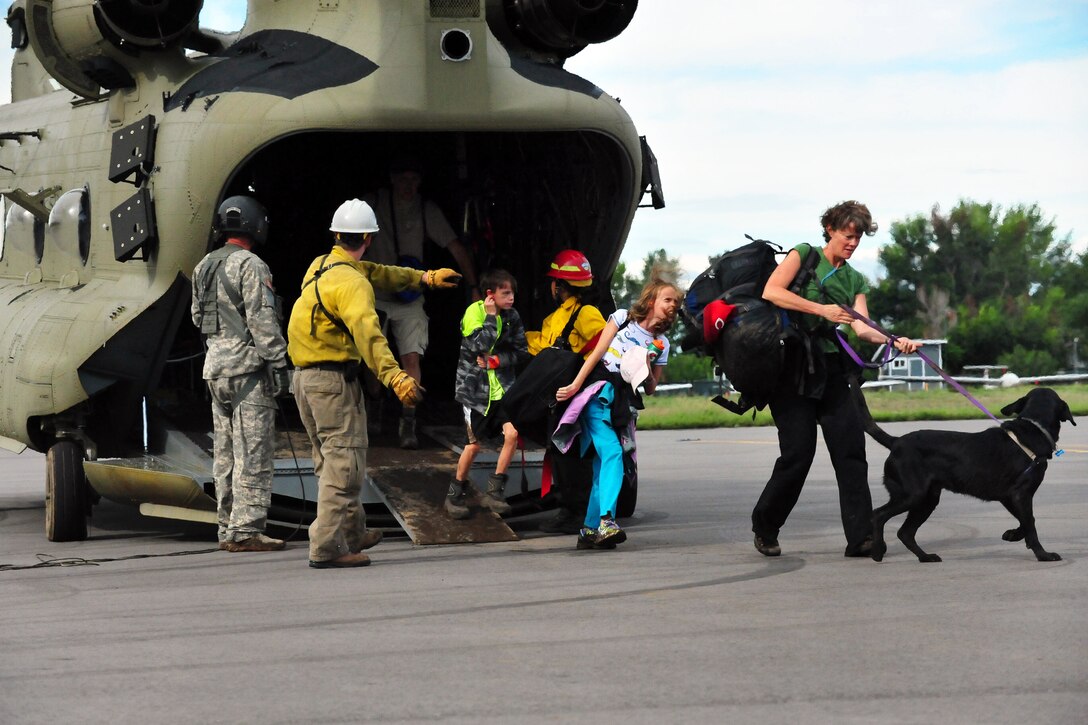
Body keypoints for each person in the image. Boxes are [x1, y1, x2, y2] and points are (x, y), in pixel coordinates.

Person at [287, 199, 462, 569]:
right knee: (344, 464)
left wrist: (424, 277)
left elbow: (378, 272)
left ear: (337, 234)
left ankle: (351, 531)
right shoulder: (353, 285)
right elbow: (369, 335)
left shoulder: (322, 266)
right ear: (368, 237)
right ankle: (327, 546)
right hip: (332, 382)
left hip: (305, 380)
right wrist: (395, 376)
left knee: (333, 461)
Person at [751, 200, 920, 558]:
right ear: (830, 228)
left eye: (858, 237)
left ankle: (861, 537)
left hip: (832, 372)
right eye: (847, 235)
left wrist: (894, 340)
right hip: (792, 371)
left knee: (851, 454)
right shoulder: (803, 255)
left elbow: (861, 327)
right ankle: (765, 526)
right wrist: (820, 310)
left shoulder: (854, 278)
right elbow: (772, 291)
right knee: (798, 454)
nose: (853, 242)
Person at [190, 195, 290, 552]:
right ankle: (246, 530)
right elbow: (263, 321)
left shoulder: (203, 265)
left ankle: (226, 526)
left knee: (226, 453)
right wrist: (279, 362)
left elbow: (198, 319)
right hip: (248, 371)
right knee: (254, 452)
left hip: (215, 370)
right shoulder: (252, 265)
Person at [363, 155, 480, 449]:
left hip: (409, 295)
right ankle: (374, 408)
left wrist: (475, 285)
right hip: (373, 293)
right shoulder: (373, 203)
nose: (409, 185)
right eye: (403, 178)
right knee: (372, 361)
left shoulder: (426, 209)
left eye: (414, 179)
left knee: (411, 358)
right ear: (392, 178)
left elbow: (454, 245)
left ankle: (408, 421)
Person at [555, 278, 680, 549]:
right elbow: (597, 353)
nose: (673, 305)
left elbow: (651, 389)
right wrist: (576, 385)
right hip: (597, 391)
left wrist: (646, 363)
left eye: (677, 302)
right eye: (668, 299)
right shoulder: (623, 319)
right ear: (651, 301)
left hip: (622, 402)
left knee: (604, 464)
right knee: (612, 453)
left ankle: (589, 530)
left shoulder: (663, 343)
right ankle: (607, 520)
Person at [525, 250, 607, 534]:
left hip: (577, 397)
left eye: (553, 282)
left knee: (572, 455)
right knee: (560, 452)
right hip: (559, 397)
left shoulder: (587, 314)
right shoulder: (556, 318)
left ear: (559, 285)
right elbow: (542, 346)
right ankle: (568, 506)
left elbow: (604, 347)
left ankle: (578, 511)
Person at [447, 269, 530, 519]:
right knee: (473, 446)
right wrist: (492, 317)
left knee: (512, 435)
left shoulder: (513, 316)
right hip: (475, 392)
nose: (512, 298)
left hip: (503, 388)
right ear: (490, 295)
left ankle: (495, 492)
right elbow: (479, 345)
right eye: (506, 293)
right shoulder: (474, 313)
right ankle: (454, 495)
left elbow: (521, 351)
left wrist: (497, 361)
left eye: (513, 292)